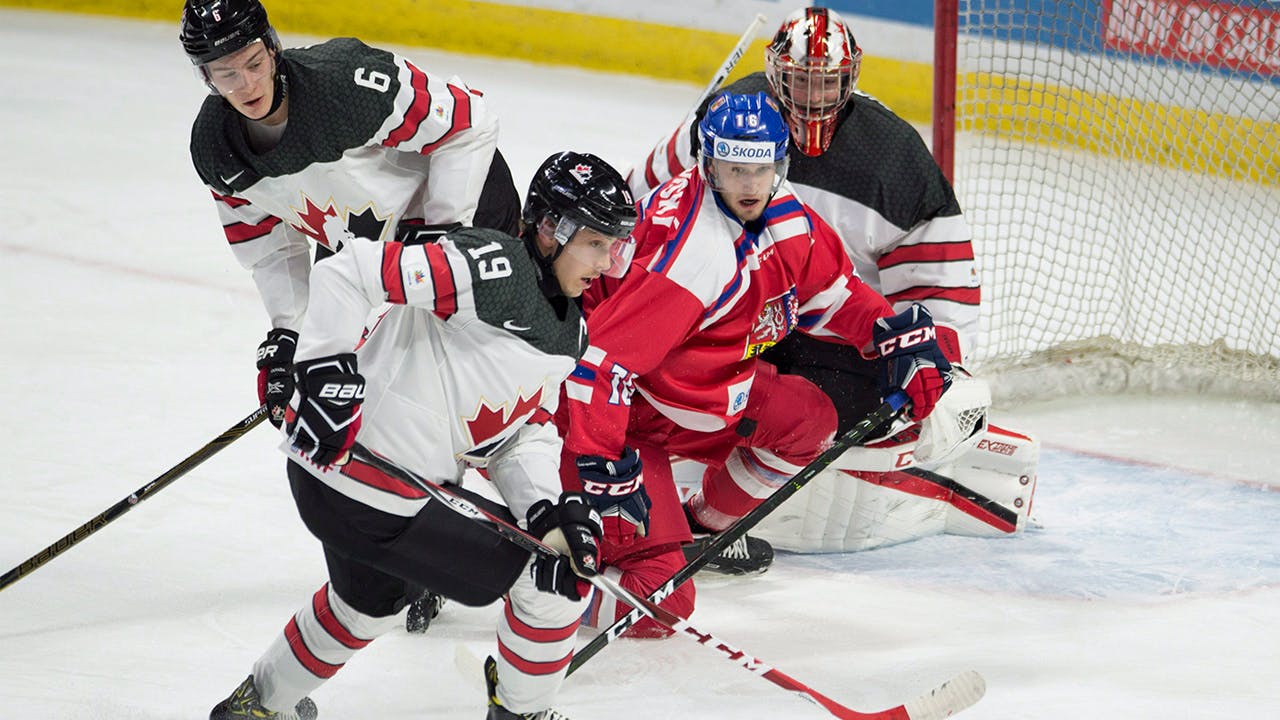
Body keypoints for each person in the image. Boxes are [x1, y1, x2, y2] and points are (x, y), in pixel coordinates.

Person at [207, 151, 639, 720]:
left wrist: (544, 512)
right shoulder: (489, 266)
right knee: (551, 586)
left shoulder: (569, 332)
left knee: (368, 603)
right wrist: (323, 368)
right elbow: (350, 270)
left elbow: (520, 431)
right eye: (596, 243)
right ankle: (522, 713)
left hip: (352, 485)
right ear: (549, 230)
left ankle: (257, 704)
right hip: (366, 476)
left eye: (616, 246)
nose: (608, 263)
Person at [628, 7, 1038, 554]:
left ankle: (727, 495)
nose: (812, 97)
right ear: (775, 74)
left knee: (828, 420)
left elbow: (937, 292)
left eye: (828, 83)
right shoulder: (732, 117)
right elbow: (636, 206)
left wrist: (932, 366)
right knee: (673, 380)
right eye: (799, 80)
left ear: (852, 79)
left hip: (831, 338)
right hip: (735, 315)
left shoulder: (894, 161)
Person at [554, 91, 953, 638]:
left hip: (702, 389)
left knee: (810, 421)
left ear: (780, 166)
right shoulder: (691, 256)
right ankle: (534, 588)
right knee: (660, 602)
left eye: (760, 168)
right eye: (734, 168)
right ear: (708, 163)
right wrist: (597, 469)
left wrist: (889, 334)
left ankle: (704, 528)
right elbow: (598, 367)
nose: (748, 184)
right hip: (624, 417)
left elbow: (835, 294)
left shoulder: (786, 215)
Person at [181, 0, 521, 629]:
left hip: (469, 221)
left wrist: (440, 245)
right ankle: (422, 551)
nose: (247, 86)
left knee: (455, 399)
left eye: (254, 64)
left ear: (273, 48)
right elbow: (269, 246)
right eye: (226, 75)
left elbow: (472, 121)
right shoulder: (217, 148)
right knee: (372, 402)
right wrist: (288, 336)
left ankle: (547, 523)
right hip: (373, 257)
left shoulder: (345, 83)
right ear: (205, 77)